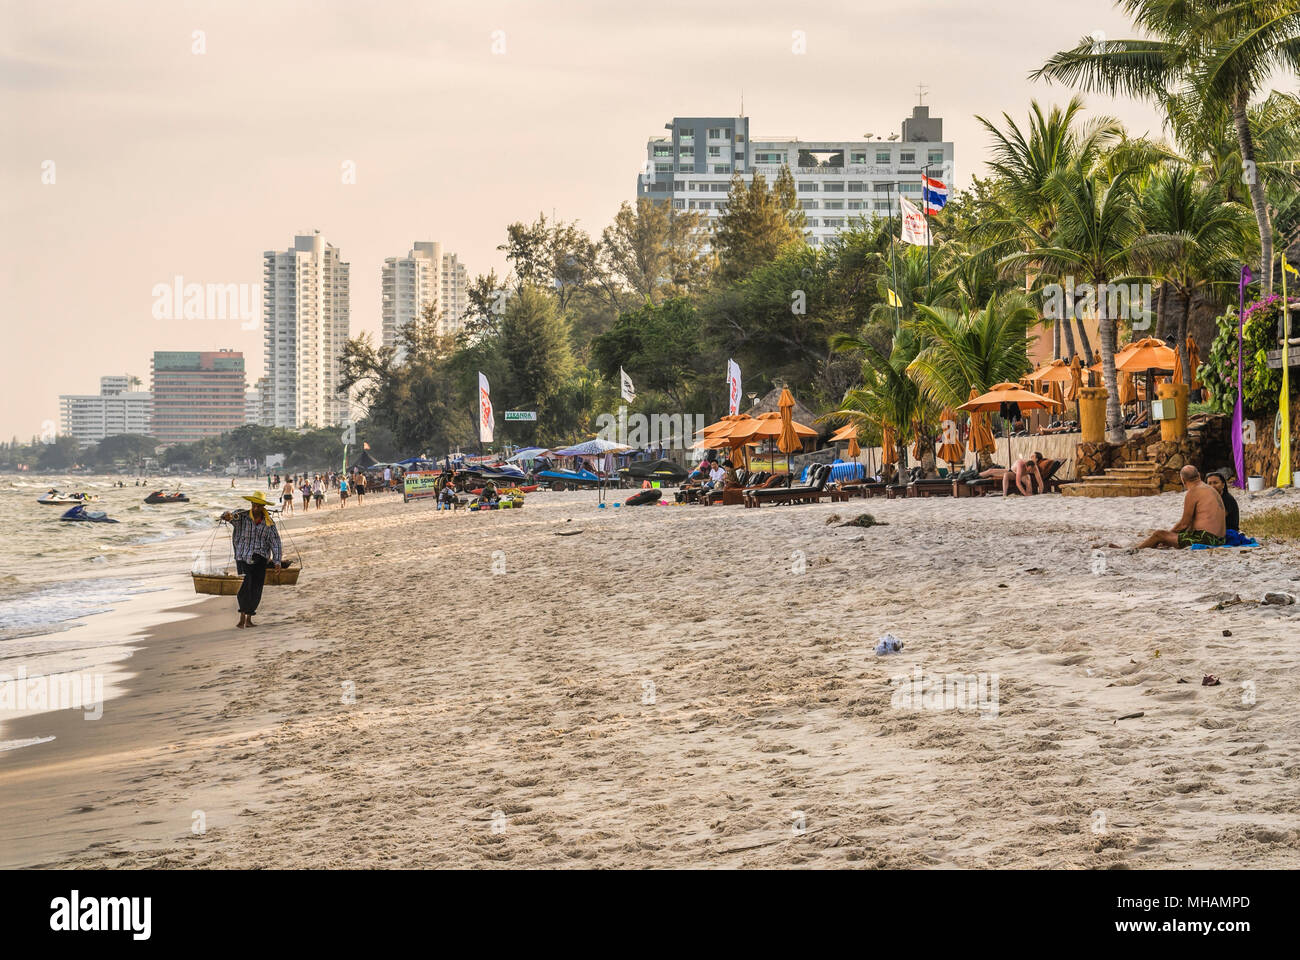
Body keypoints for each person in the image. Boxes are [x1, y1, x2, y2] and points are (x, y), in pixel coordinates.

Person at [220, 491, 282, 629]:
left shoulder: (269, 523)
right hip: (242, 557)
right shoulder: (241, 516)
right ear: (251, 504)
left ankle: (249, 618)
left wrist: (277, 561)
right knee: (244, 587)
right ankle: (242, 616)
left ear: (263, 507)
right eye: (254, 505)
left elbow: (275, 542)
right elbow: (229, 517)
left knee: (256, 588)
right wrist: (226, 515)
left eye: (259, 506)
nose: (255, 508)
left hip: (260, 558)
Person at [1134, 465, 1226, 549]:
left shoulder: (1193, 492)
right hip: (1220, 539)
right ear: (1198, 475)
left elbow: (1184, 524)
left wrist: (1168, 534)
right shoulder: (1209, 488)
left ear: (1183, 480)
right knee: (1169, 536)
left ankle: (1135, 550)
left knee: (1159, 535)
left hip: (1207, 539)